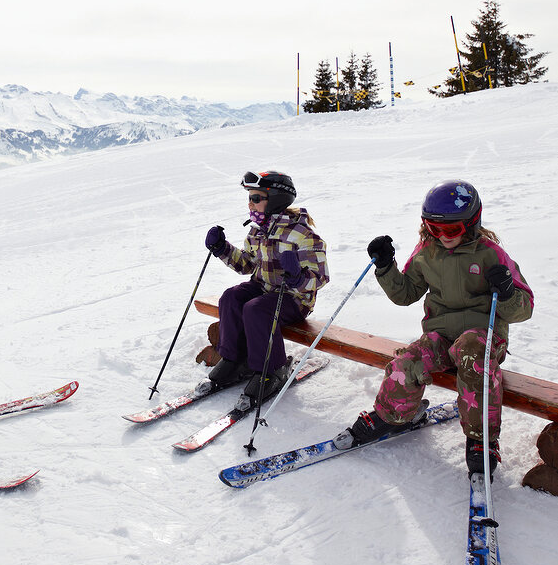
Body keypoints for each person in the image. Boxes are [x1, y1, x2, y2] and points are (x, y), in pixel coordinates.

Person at [340, 180, 533, 480]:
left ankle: (482, 438)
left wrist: (507, 292)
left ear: (471, 224)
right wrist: (386, 267)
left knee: (470, 350)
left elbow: (525, 307)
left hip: (483, 338)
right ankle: (392, 414)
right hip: (442, 337)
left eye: (451, 230)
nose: (443, 237)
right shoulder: (427, 253)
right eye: (434, 228)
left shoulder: (491, 255)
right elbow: (406, 294)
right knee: (406, 363)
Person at [204, 171, 329, 404]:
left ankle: (273, 370)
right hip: (264, 289)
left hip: (294, 299)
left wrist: (296, 277)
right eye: (249, 197)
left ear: (275, 199)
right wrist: (222, 248)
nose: (250, 203)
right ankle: (235, 359)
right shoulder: (258, 230)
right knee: (231, 298)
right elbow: (247, 265)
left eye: (256, 198)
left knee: (256, 309)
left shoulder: (302, 233)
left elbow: (320, 277)